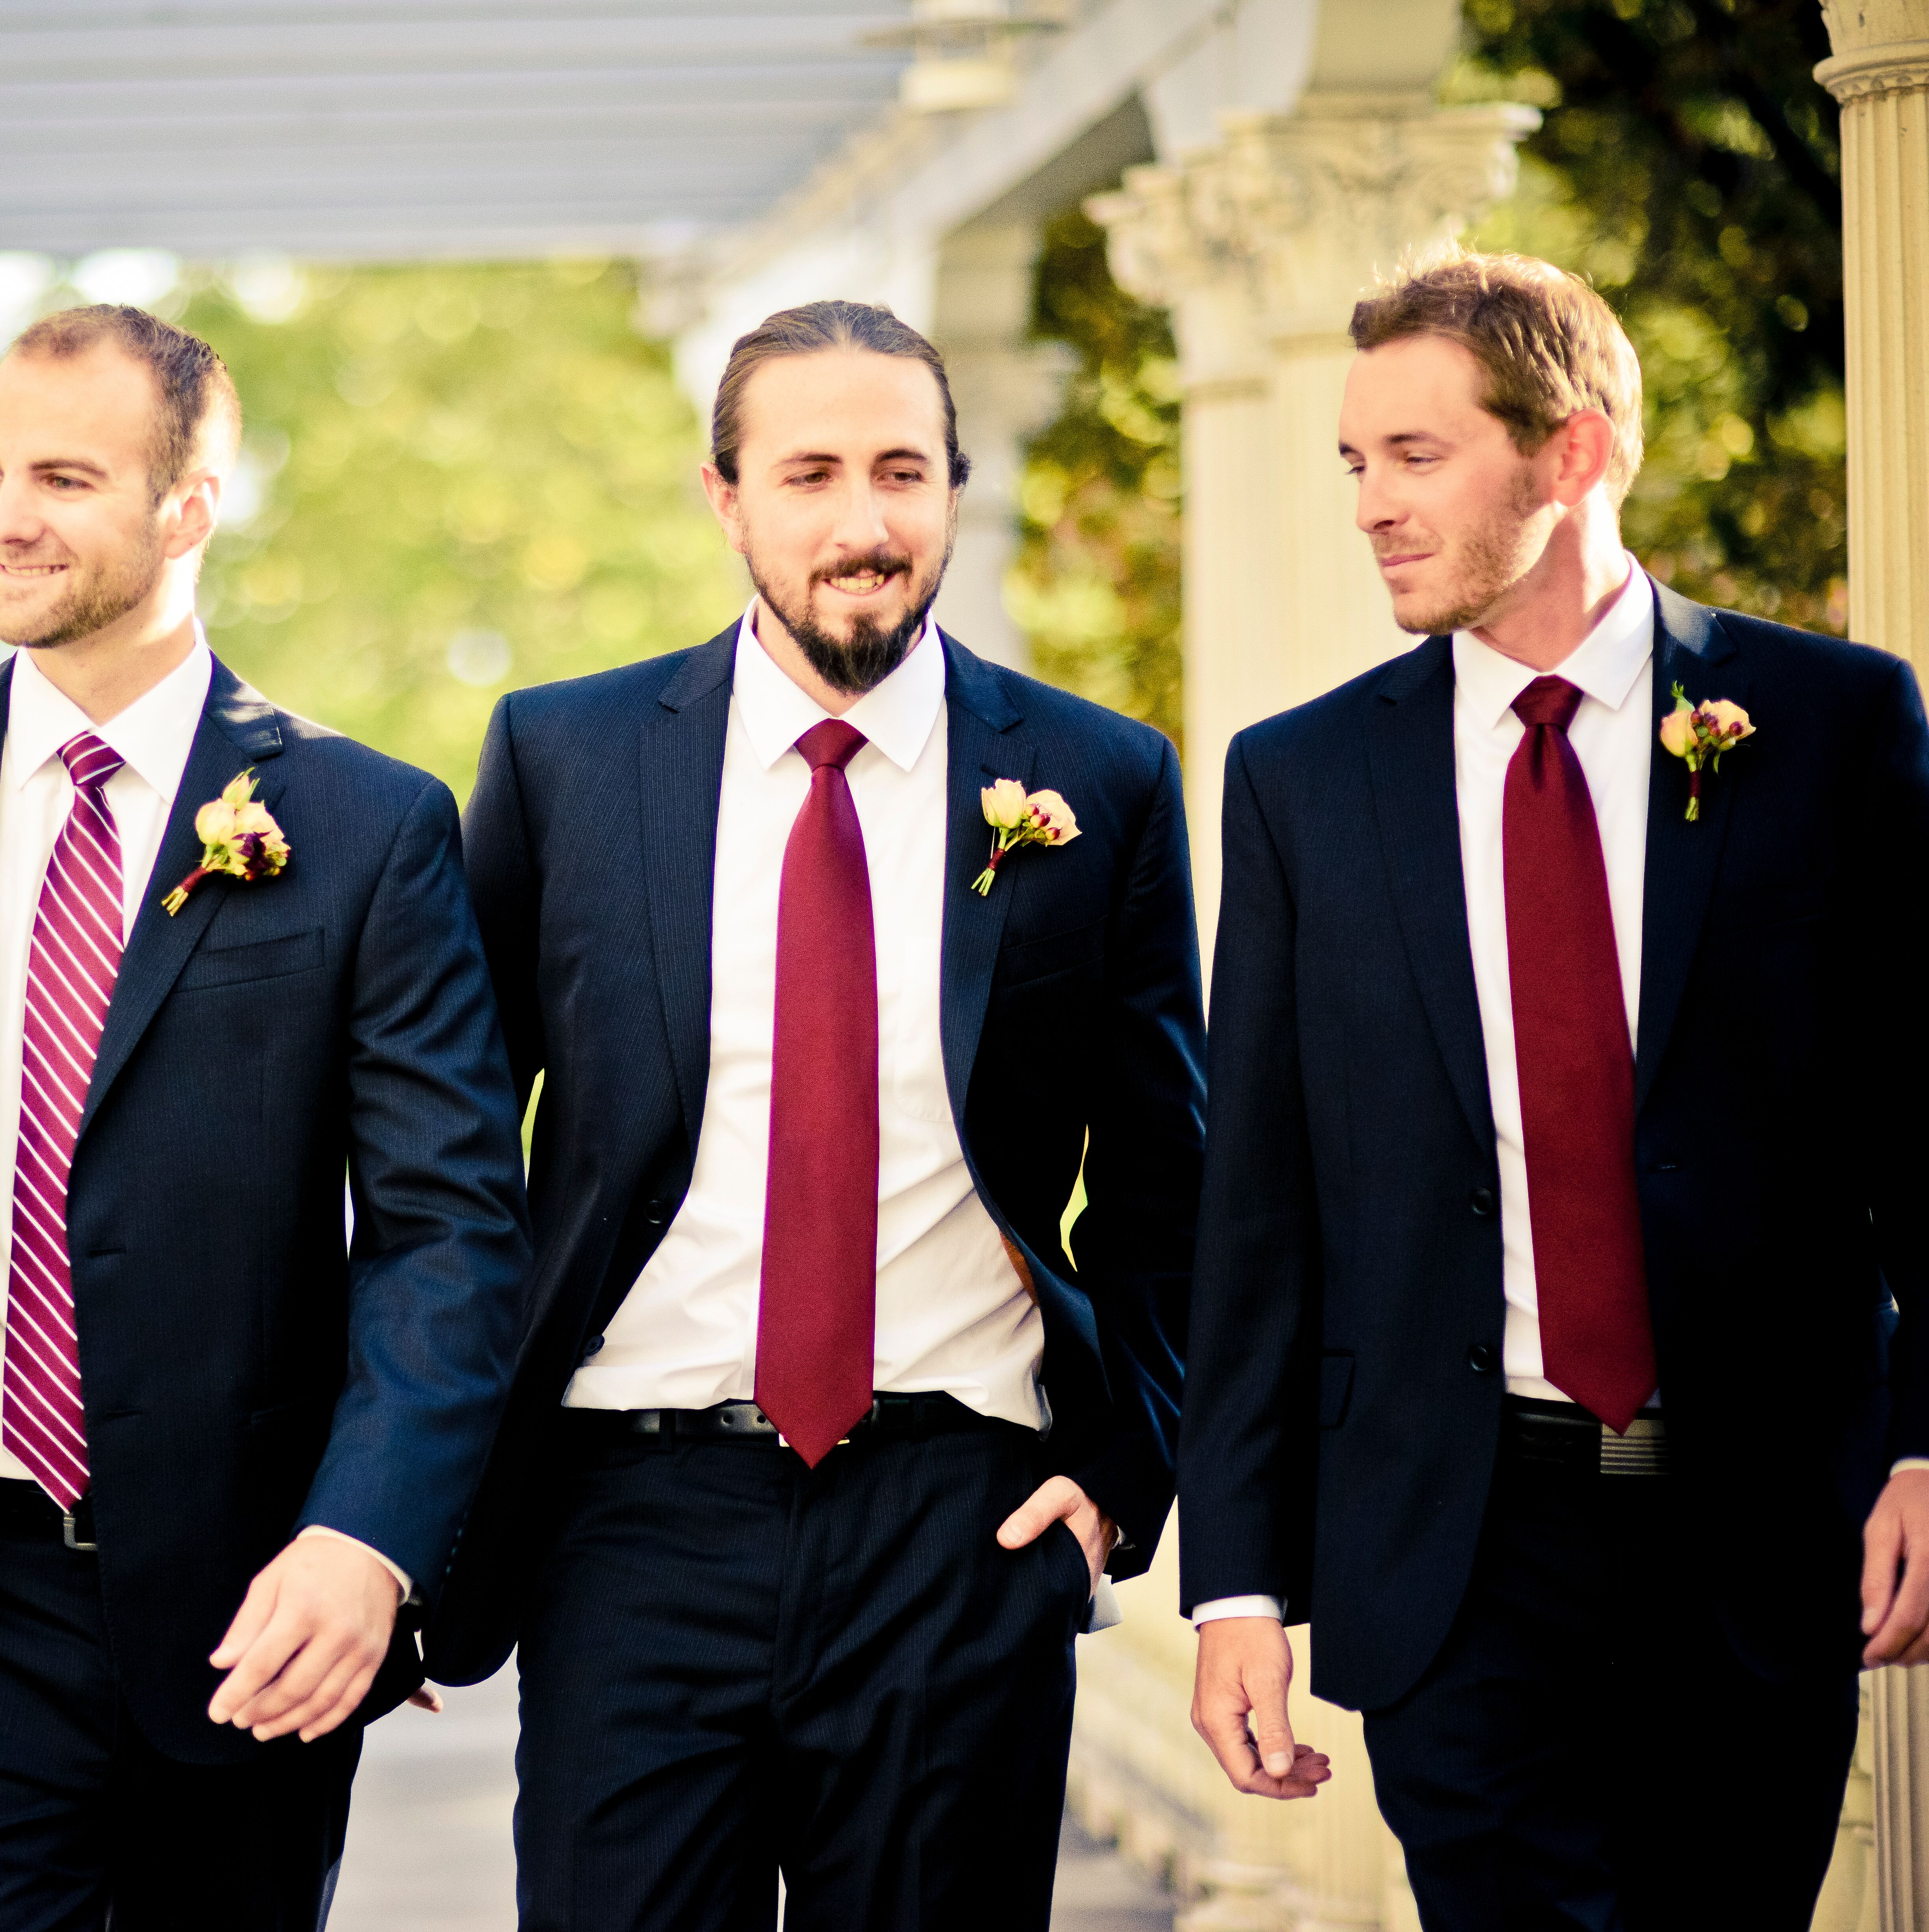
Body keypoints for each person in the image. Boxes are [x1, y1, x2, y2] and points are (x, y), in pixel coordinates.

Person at [0, 302, 531, 1931]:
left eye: (64, 476)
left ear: (189, 507)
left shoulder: (363, 827)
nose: (4, 516)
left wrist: (370, 1537)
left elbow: (446, 1232)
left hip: (250, 1598)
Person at [420, 299, 1206, 1932]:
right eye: (811, 474)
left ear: (954, 490)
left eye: (903, 472)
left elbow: (1167, 1178)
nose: (862, 525)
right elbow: (444, 1160)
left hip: (960, 1525)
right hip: (627, 1522)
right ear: (725, 498)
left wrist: (1126, 1464)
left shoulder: (1100, 779)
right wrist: (404, 1500)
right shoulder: (563, 760)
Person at [1180, 249, 1929, 1928]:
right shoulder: (1301, 779)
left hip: (1758, 1537)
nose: (1370, 502)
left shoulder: (1827, 724)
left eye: (1416, 457)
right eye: (1355, 463)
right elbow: (1260, 1212)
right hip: (1451, 1549)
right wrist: (1235, 1580)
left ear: (1571, 453)